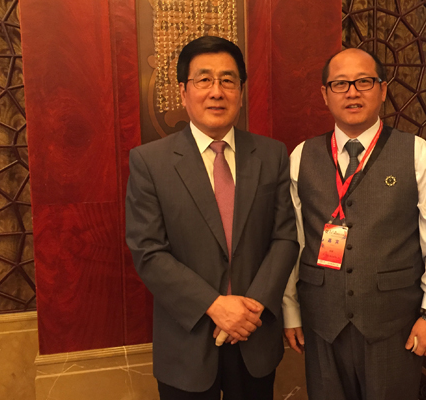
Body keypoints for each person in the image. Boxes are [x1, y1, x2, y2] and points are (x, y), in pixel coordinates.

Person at [282, 48, 426, 400]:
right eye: (340, 84)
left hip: (393, 324)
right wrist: (290, 310)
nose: (352, 92)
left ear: (382, 90)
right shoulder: (301, 155)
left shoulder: (418, 153)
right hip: (322, 322)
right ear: (325, 94)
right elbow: (294, 240)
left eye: (364, 82)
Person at [126, 36, 298, 400]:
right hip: (187, 341)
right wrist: (215, 305)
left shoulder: (271, 155)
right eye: (204, 80)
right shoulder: (150, 162)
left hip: (254, 335)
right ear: (183, 91)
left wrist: (249, 310)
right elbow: (148, 251)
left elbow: (285, 238)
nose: (216, 91)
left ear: (241, 92)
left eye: (228, 80)